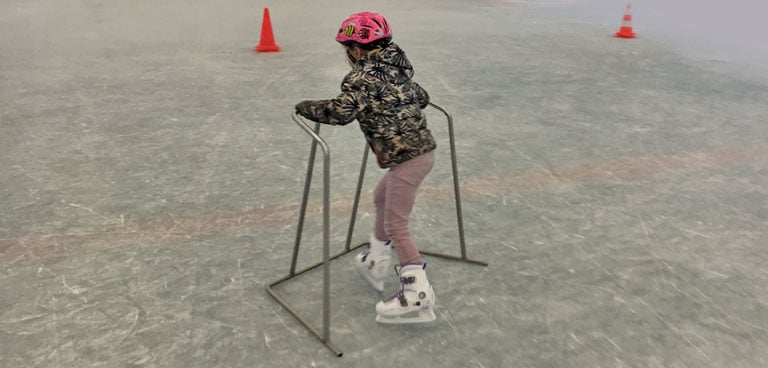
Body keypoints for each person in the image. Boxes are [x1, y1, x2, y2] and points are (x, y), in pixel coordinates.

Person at [294, 11, 437, 324]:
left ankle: (417, 295)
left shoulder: (360, 79)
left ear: (357, 50)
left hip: (406, 161)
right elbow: (421, 97)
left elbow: (342, 112)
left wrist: (307, 107)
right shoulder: (399, 68)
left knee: (397, 223)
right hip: (422, 154)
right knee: (381, 196)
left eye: (348, 49)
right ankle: (376, 259)